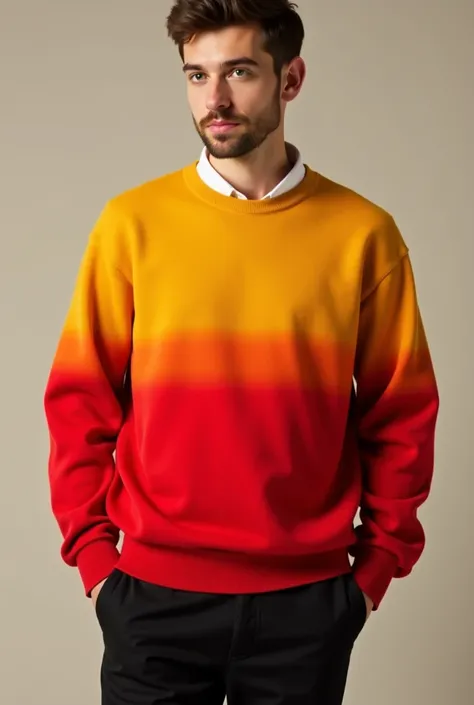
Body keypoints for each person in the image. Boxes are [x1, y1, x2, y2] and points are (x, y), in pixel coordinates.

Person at [43, 1, 439, 703]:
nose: (215, 99)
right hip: (151, 600)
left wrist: (376, 568)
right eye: (197, 75)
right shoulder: (131, 225)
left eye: (239, 72)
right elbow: (79, 399)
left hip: (306, 607)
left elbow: (401, 412)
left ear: (291, 79)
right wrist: (97, 562)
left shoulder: (363, 235)